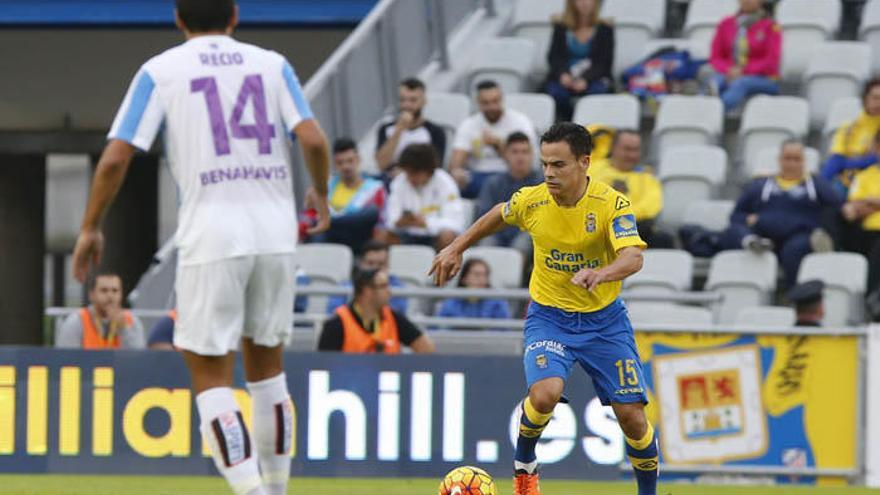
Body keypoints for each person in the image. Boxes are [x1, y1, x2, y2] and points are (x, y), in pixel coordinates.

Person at [70, 2, 331, 494]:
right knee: (268, 373)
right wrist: (319, 190)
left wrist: (90, 226)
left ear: (177, 18)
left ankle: (251, 491)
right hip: (275, 235)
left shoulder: (161, 70)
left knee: (211, 374)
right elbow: (313, 140)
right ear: (234, 15)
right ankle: (275, 491)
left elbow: (115, 158)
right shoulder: (272, 64)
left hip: (212, 234)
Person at [430, 123, 657, 495]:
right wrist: (457, 247)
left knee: (632, 417)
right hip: (549, 318)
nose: (549, 173)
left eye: (559, 165)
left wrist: (601, 273)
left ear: (585, 162)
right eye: (545, 164)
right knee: (545, 394)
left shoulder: (611, 204)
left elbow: (633, 257)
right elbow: (499, 213)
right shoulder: (532, 200)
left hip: (605, 322)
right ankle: (525, 468)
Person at [721, 141, 839, 287]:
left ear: (804, 162)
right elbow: (735, 216)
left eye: (796, 159)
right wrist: (747, 218)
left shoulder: (815, 185)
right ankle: (751, 243)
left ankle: (794, 294)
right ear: (780, 160)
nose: (791, 164)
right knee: (732, 232)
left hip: (799, 235)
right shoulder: (760, 185)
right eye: (787, 158)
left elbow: (835, 205)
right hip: (764, 236)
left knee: (793, 251)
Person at [448, 80, 536, 199]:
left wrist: (497, 145)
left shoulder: (520, 122)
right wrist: (457, 173)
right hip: (477, 177)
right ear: (478, 102)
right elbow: (455, 164)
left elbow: (526, 160)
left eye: (495, 101)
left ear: (502, 99)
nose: (492, 107)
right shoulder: (469, 125)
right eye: (486, 102)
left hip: (510, 176)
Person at [318, 268, 435, 353]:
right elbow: (323, 365)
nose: (389, 291)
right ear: (366, 291)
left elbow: (426, 349)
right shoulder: (336, 324)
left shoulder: (394, 318)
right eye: (383, 286)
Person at [590, 130, 671, 248]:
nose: (632, 155)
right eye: (627, 149)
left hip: (631, 228)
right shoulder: (594, 169)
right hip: (595, 226)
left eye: (636, 150)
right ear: (613, 148)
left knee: (662, 239)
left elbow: (650, 208)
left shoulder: (647, 177)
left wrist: (618, 216)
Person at [305, 137, 386, 252]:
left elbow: (378, 219)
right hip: (331, 236)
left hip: (358, 236)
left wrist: (329, 217)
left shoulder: (375, 187)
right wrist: (311, 204)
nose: (345, 167)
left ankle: (330, 221)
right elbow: (310, 214)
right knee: (318, 228)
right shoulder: (326, 186)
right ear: (334, 164)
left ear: (358, 159)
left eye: (350, 161)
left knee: (371, 212)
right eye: (340, 163)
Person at [702, 0, 781, 112]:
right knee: (715, 81)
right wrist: (729, 70)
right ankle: (699, 112)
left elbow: (771, 61)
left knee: (741, 83)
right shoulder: (726, 24)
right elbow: (715, 57)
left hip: (763, 78)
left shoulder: (770, 26)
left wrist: (743, 71)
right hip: (729, 73)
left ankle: (714, 113)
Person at [544, 0, 614, 121]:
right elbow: (554, 57)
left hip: (593, 77)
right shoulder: (561, 27)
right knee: (554, 93)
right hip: (566, 77)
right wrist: (562, 75)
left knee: (597, 92)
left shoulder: (605, 29)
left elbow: (604, 63)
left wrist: (585, 79)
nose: (585, 3)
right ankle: (566, 124)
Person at [386, 143, 465, 250]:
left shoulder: (446, 183)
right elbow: (391, 220)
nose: (410, 178)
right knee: (385, 236)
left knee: (448, 237)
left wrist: (426, 223)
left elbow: (455, 223)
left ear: (427, 170)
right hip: (407, 234)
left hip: (434, 235)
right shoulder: (399, 182)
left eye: (414, 173)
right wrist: (400, 222)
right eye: (407, 173)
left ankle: (441, 266)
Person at [476, 132, 542, 255]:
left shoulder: (542, 183)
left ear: (532, 155)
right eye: (515, 152)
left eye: (525, 152)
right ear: (506, 154)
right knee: (486, 243)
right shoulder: (493, 183)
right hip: (496, 233)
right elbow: (483, 215)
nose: (520, 157)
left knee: (522, 244)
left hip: (527, 232)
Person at [821, 79, 880, 198]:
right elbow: (835, 159)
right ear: (865, 99)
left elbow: (876, 161)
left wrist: (845, 163)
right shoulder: (849, 128)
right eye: (875, 98)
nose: (878, 103)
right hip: (845, 182)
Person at [56, 270, 145, 349]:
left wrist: (123, 328)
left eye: (115, 290)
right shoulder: (77, 321)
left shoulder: (132, 321)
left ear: (121, 294)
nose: (110, 296)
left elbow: (138, 360)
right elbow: (66, 359)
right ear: (91, 295)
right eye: (104, 290)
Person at [375, 77, 446, 175]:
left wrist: (406, 173)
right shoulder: (385, 129)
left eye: (413, 100)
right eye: (403, 100)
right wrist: (399, 130)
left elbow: (436, 167)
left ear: (423, 101)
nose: (407, 105)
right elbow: (381, 165)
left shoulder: (435, 132)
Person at [325, 240, 408, 314]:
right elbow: (333, 312)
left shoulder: (398, 288)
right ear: (361, 264)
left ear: (388, 265)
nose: (375, 268)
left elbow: (399, 313)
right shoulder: (345, 286)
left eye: (381, 264)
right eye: (370, 263)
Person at [436, 258, 511, 321]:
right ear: (464, 278)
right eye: (477, 275)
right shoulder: (451, 303)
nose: (482, 279)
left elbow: (504, 331)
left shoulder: (498, 303)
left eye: (485, 275)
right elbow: (440, 330)